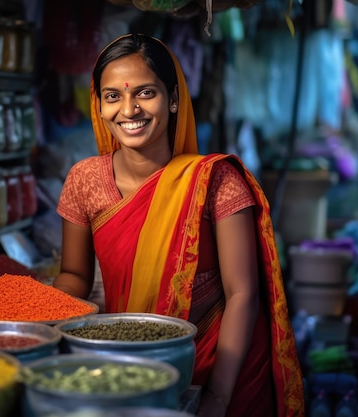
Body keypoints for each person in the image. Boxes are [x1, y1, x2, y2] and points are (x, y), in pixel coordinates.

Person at [52, 33, 305, 417]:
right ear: (99, 107)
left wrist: (218, 396)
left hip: (222, 363)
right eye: (113, 96)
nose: (129, 109)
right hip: (134, 357)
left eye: (145, 93)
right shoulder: (84, 179)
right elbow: (73, 274)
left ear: (173, 99)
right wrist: (42, 319)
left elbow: (242, 294)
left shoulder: (214, 180)